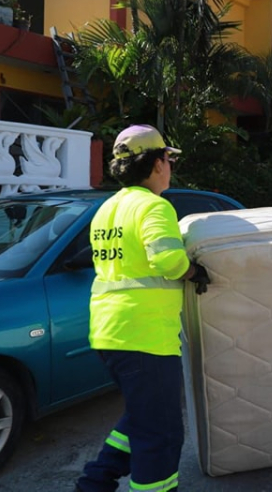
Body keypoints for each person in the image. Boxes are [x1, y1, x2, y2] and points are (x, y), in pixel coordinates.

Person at [76, 125, 210, 492]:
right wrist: (194, 270)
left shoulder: (107, 209)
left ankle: (95, 482)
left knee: (141, 415)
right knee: (160, 434)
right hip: (145, 337)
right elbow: (167, 260)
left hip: (108, 332)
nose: (170, 166)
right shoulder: (153, 206)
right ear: (154, 164)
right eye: (167, 158)